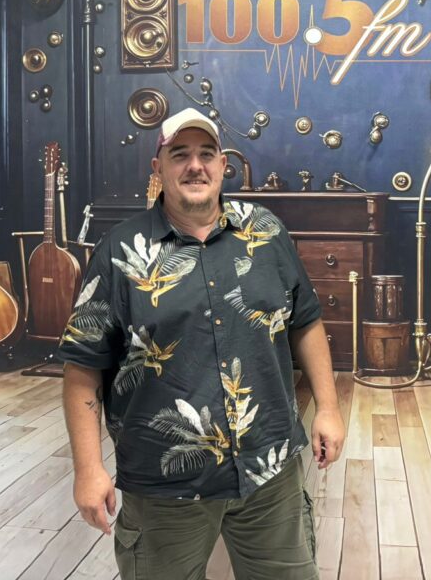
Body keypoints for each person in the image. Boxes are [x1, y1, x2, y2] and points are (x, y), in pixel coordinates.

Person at [59, 107, 345, 580]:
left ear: (222, 165)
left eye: (206, 154)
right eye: (180, 155)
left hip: (270, 469)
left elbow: (305, 321)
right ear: (159, 168)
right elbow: (83, 368)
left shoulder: (266, 231)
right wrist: (88, 469)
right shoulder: (120, 252)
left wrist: (328, 408)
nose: (196, 166)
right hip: (165, 486)